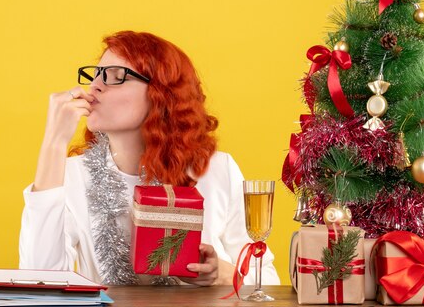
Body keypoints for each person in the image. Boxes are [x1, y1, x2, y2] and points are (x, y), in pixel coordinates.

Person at [19, 30, 279, 286]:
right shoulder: (70, 176)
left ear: (161, 93)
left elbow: (266, 281)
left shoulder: (216, 170)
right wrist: (53, 143)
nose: (94, 85)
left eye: (114, 76)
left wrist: (222, 275)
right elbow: (39, 282)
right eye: (96, 74)